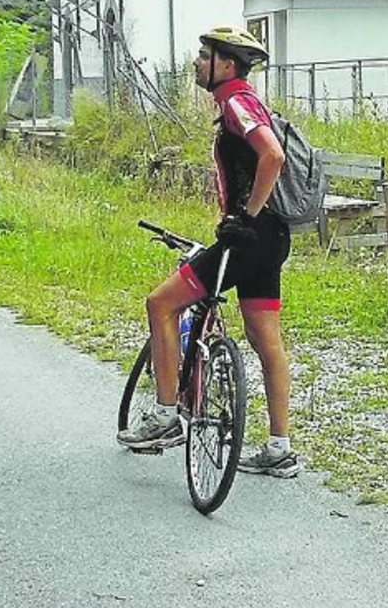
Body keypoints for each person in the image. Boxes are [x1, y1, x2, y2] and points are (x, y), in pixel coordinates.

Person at [116, 25, 299, 478]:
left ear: (227, 65)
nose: (197, 63)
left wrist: (245, 216)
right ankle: (280, 447)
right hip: (272, 240)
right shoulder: (243, 102)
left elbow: (272, 156)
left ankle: (164, 417)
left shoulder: (237, 101)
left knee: (160, 304)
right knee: (265, 339)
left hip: (249, 238)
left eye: (204, 55)